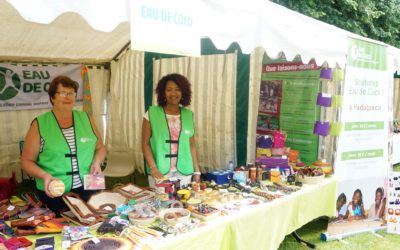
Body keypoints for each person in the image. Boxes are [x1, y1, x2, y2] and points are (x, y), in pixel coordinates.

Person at [21, 75, 106, 216]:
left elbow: (101, 147)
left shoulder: (86, 118)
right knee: (62, 228)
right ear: (52, 98)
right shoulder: (39, 124)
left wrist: (97, 163)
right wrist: (45, 176)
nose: (68, 97)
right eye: (62, 93)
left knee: (94, 220)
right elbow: (26, 161)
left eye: (71, 93)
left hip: (90, 184)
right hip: (55, 190)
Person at [142, 73, 200, 188]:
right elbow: (145, 143)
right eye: (169, 90)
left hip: (184, 171)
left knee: (183, 203)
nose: (173, 93)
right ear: (163, 93)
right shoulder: (151, 113)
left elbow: (191, 145)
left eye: (177, 89)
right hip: (159, 170)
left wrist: (197, 171)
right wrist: (153, 167)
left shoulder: (189, 115)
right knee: (161, 203)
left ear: (183, 92)